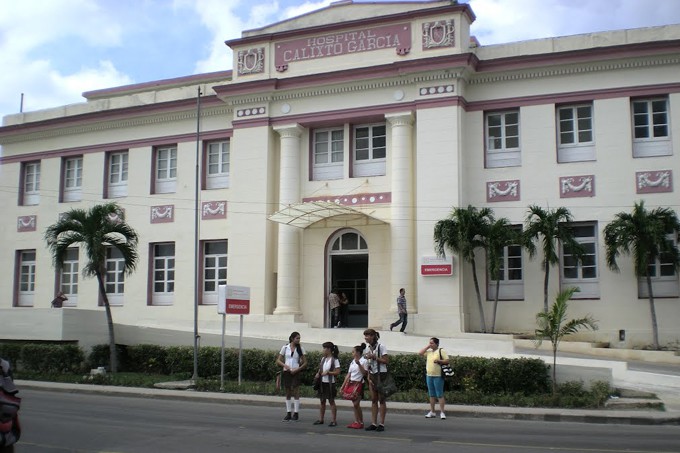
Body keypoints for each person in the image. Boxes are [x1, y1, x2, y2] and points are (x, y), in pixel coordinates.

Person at [275, 331, 307, 421]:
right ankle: (288, 412)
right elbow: (278, 360)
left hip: (296, 371)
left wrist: (297, 369)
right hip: (287, 371)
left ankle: (296, 413)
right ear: (292, 338)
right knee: (288, 391)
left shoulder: (300, 348)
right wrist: (285, 365)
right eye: (297, 338)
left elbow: (305, 363)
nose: (298, 340)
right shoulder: (285, 347)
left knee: (296, 391)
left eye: (299, 338)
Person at [362, 328, 389, 432]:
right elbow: (368, 363)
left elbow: (386, 361)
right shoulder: (367, 348)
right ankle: (373, 423)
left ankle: (381, 423)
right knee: (373, 399)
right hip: (372, 374)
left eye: (367, 336)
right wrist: (368, 375)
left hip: (381, 374)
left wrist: (375, 357)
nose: (366, 338)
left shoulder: (381, 347)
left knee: (382, 399)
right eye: (365, 336)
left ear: (373, 336)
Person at [418, 337, 449, 419]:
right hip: (429, 375)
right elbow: (420, 353)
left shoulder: (441, 351)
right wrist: (427, 347)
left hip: (438, 376)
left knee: (439, 394)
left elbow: (447, 361)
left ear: (436, 344)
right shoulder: (429, 352)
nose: (430, 344)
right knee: (431, 394)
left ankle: (442, 412)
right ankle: (432, 411)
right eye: (429, 343)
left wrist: (439, 361)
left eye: (432, 343)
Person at [339, 343, 368, 429]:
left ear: (358, 352)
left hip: (359, 383)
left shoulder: (364, 361)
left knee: (356, 404)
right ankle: (356, 421)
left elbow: (365, 373)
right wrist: (343, 386)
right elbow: (348, 374)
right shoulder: (352, 362)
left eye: (353, 352)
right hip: (352, 383)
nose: (352, 353)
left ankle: (361, 422)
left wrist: (359, 364)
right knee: (354, 403)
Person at [313, 342, 341, 427]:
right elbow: (320, 368)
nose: (323, 350)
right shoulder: (323, 359)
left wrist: (329, 372)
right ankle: (321, 419)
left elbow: (338, 371)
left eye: (324, 348)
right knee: (322, 401)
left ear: (329, 349)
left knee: (331, 401)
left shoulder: (334, 359)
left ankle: (333, 420)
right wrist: (318, 373)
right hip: (322, 382)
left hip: (330, 383)